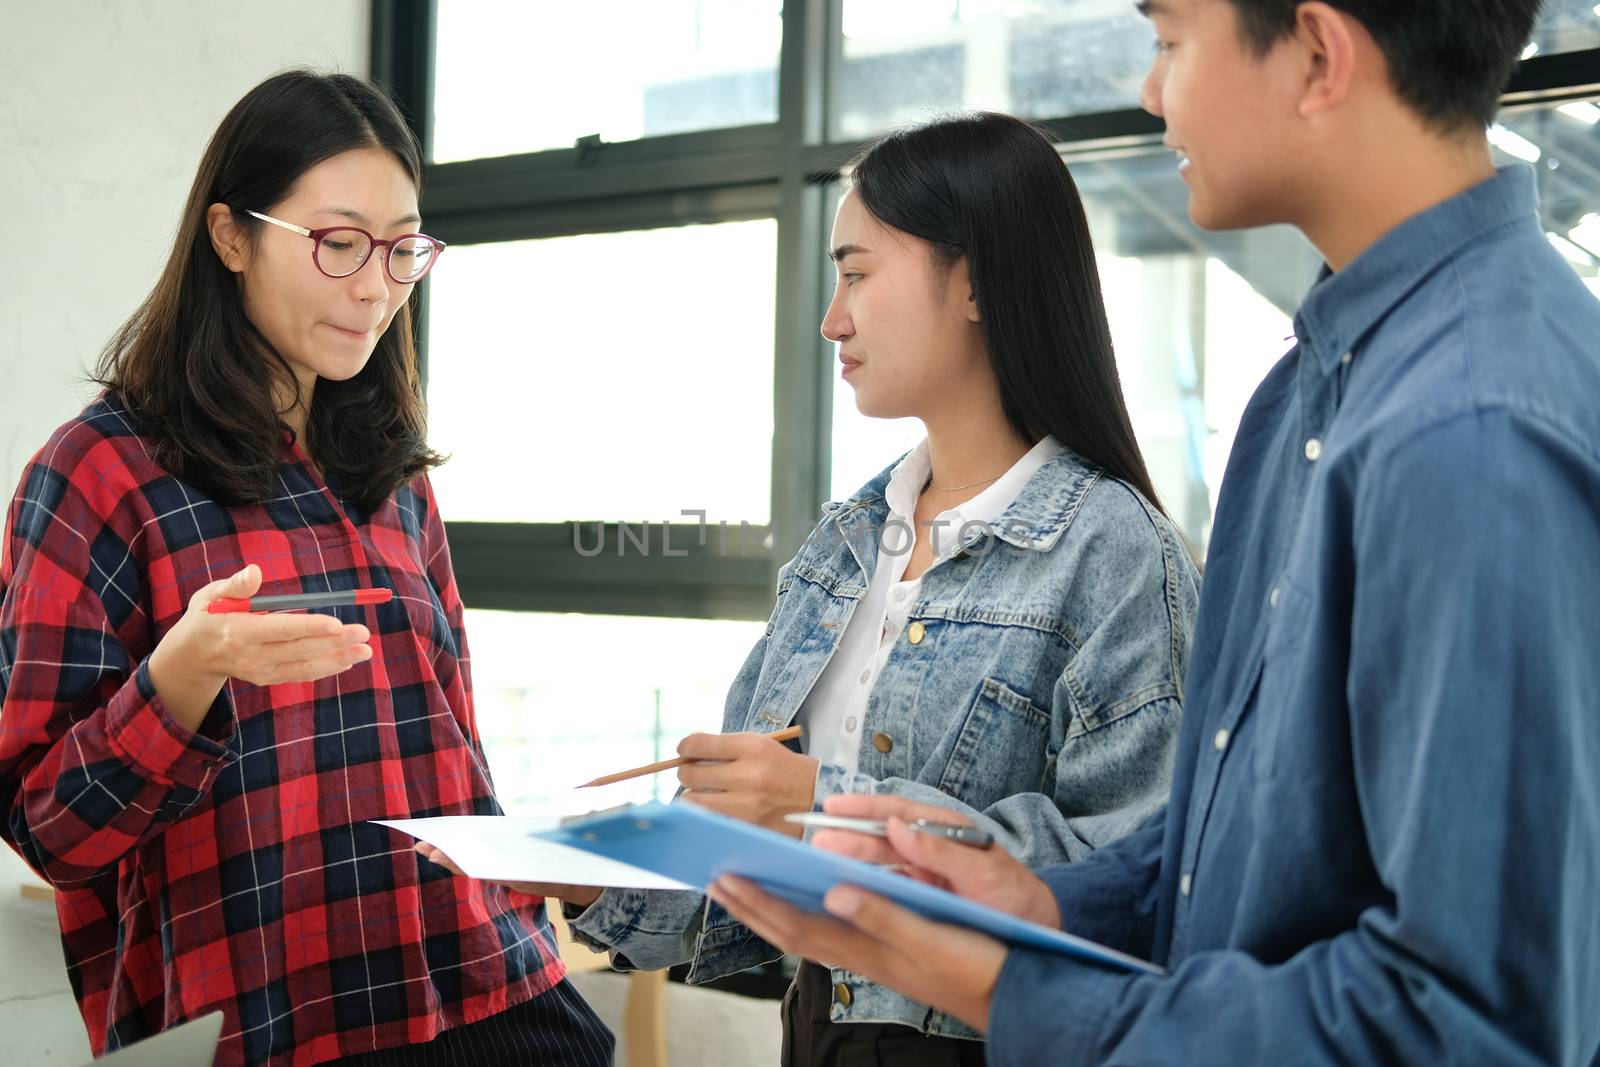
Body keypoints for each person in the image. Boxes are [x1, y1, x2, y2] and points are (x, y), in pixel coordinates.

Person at [705, 1, 1600, 1063]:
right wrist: (1042, 897)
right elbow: (1237, 835)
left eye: (1171, 41)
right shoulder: (1303, 394)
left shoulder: (1468, 424)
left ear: (1315, 54)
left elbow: (1468, 1020)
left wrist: (1007, 982)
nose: (1147, 90)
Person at [421, 111, 1202, 1066]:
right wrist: (589, 875)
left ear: (976, 281)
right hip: (817, 1031)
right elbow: (748, 872)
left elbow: (1136, 878)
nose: (833, 317)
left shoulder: (1115, 551)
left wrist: (820, 807)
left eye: (858, 272)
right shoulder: (845, 544)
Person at [0, 71, 613, 1066]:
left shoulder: (392, 474)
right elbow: (46, 832)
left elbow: (455, 760)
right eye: (337, 243)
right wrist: (180, 677)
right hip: (266, 1024)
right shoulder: (99, 472)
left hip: (484, 983)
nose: (376, 285)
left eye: (404, 247)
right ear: (231, 236)